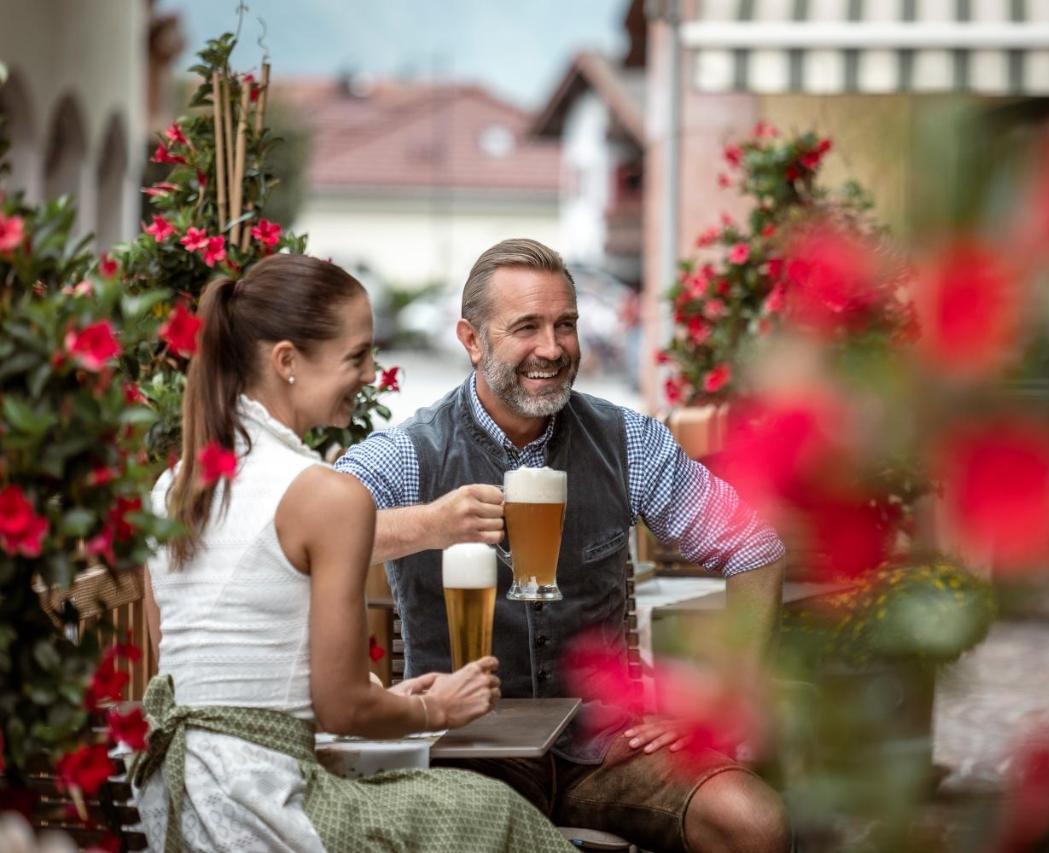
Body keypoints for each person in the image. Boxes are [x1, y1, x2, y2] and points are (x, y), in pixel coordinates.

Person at [336, 239, 790, 853]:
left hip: (608, 750)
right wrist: (430, 525)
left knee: (751, 822)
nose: (552, 349)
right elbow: (306, 538)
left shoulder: (625, 439)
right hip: (466, 753)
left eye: (565, 325)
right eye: (527, 327)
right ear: (472, 340)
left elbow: (755, 545)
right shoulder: (410, 454)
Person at [135, 254, 571, 852]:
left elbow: (207, 679)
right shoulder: (323, 494)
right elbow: (341, 707)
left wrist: (387, 699)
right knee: (493, 810)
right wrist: (433, 709)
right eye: (357, 356)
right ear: (286, 361)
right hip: (265, 809)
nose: (371, 374)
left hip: (178, 799)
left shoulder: (174, 486)